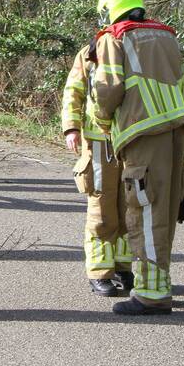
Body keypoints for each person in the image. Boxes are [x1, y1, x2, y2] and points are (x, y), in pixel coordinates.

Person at [93, 0, 184, 315]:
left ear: (109, 10)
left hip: (141, 133)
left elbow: (107, 91)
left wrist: (102, 121)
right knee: (165, 209)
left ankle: (151, 293)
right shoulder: (166, 34)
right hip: (175, 130)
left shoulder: (114, 37)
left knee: (145, 210)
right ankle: (159, 283)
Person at [61, 42, 133, 296]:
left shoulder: (135, 48)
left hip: (130, 141)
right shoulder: (90, 52)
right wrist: (71, 126)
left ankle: (123, 267)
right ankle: (100, 272)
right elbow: (74, 89)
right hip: (99, 143)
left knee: (129, 206)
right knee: (102, 210)